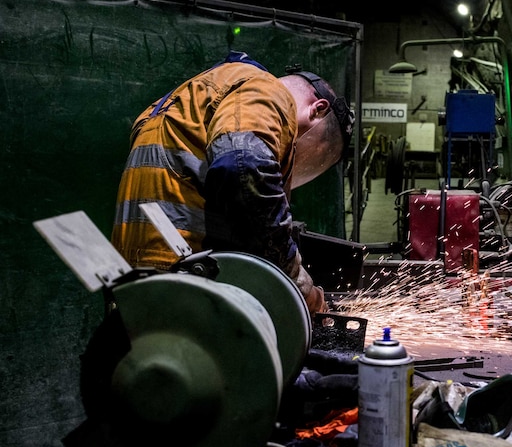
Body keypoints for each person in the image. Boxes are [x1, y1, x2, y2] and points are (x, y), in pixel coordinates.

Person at [111, 51, 354, 315]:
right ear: (317, 110)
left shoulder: (183, 100)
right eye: (318, 153)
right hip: (188, 294)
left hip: (133, 290)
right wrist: (296, 282)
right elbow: (244, 167)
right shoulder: (265, 91)